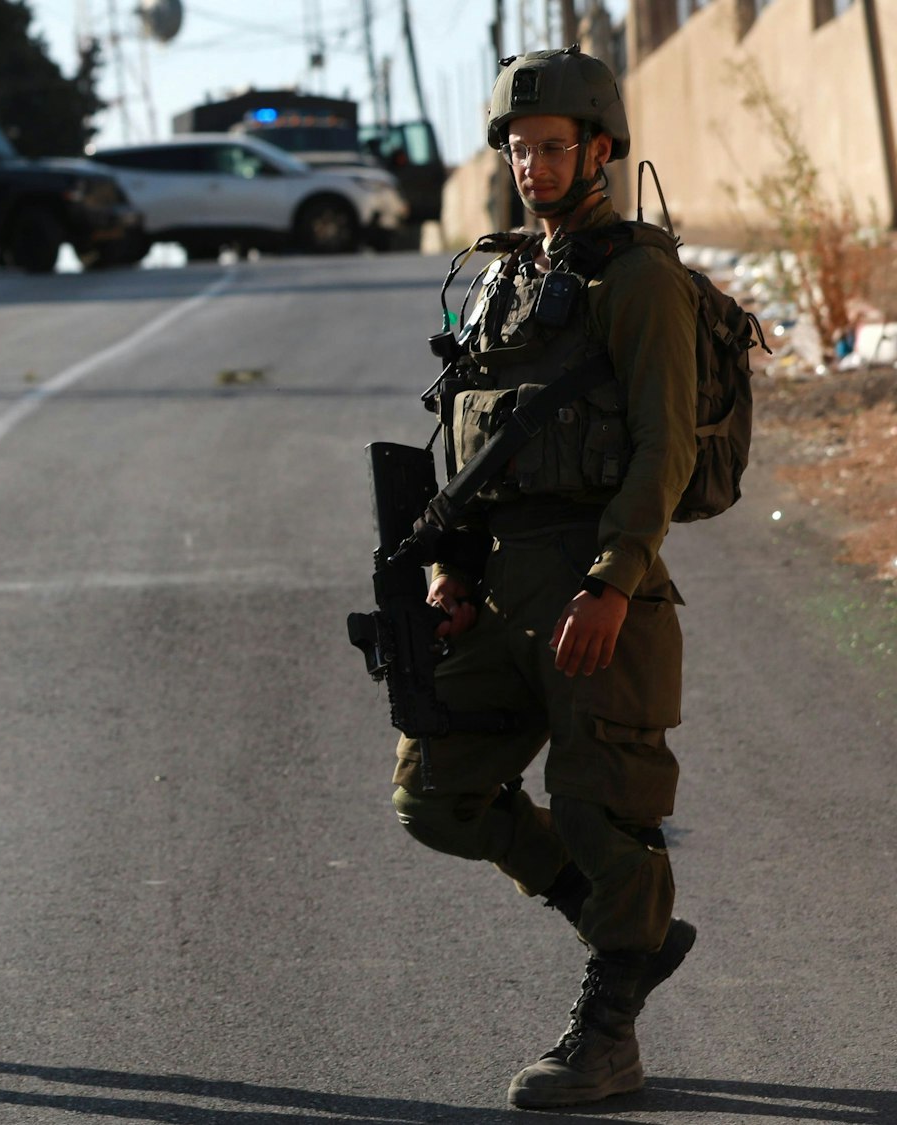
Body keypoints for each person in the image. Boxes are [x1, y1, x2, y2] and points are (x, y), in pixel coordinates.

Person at [389, 46, 700, 1109]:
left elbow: (664, 446)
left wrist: (613, 581)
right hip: (498, 585)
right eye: (518, 149)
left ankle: (606, 1028)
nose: (533, 165)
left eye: (552, 146)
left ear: (600, 148)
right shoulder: (502, 280)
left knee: (598, 805)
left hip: (592, 581)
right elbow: (463, 451)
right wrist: (446, 571)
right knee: (432, 789)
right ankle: (626, 931)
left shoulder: (638, 278)